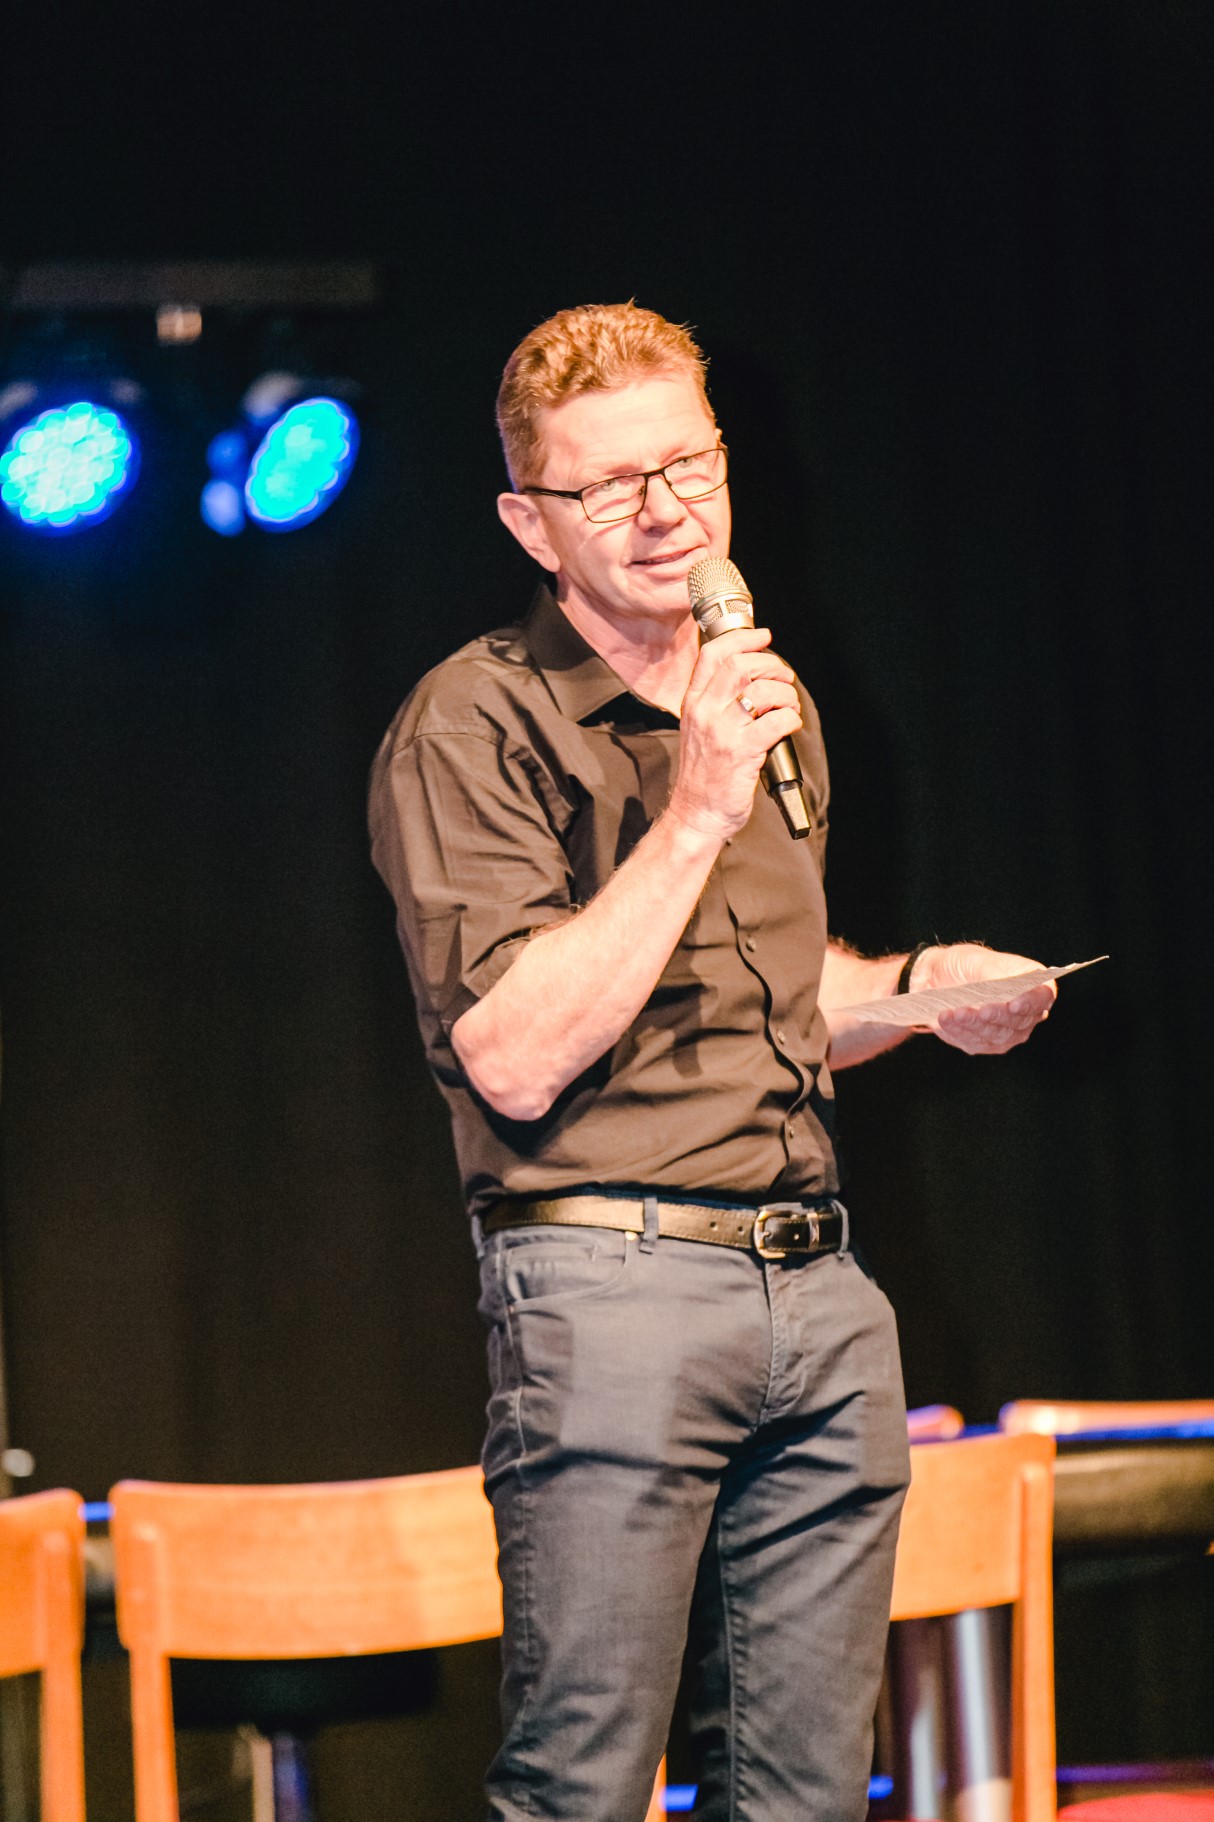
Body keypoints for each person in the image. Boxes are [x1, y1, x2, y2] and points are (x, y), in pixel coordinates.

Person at [368, 302, 1054, 1822]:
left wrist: (920, 994)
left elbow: (774, 995)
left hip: (815, 1287)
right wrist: (692, 809)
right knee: (585, 1781)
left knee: (804, 1791)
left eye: (687, 465)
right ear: (531, 524)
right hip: (611, 1289)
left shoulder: (759, 702)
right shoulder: (473, 720)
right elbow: (513, 1052)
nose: (664, 509)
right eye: (611, 484)